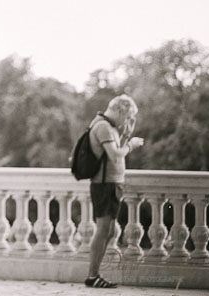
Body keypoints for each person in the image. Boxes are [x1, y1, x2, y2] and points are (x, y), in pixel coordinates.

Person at [85, 95, 144, 289]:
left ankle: (95, 274)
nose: (127, 121)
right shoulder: (103, 126)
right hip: (104, 185)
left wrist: (126, 136)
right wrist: (131, 144)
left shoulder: (109, 127)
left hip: (111, 184)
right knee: (103, 230)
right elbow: (115, 155)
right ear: (120, 111)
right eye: (127, 117)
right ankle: (92, 276)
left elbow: (115, 152)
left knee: (108, 230)